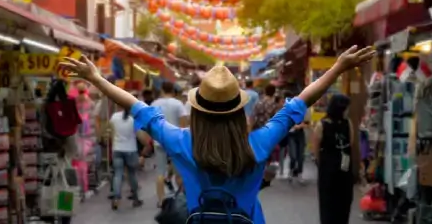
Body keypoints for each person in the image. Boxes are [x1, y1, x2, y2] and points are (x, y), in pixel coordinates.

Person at [60, 46, 374, 224]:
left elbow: (138, 107)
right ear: (239, 110)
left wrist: (97, 79)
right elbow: (300, 103)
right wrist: (338, 68)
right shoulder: (258, 144)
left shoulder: (183, 142)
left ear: (198, 110)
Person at [312, 94, 354, 224]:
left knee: (328, 202)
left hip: (328, 169)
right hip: (344, 169)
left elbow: (316, 148)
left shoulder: (322, 124)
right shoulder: (348, 123)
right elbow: (351, 142)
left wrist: (322, 162)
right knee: (344, 202)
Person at [152, 81, 187, 207]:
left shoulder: (155, 104)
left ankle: (161, 200)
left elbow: (151, 123)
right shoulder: (178, 104)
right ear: (173, 90)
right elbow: (183, 124)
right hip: (175, 141)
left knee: (160, 172)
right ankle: (182, 197)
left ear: (161, 89)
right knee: (179, 172)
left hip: (159, 140)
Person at [109, 105, 150, 210]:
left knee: (118, 174)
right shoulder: (133, 120)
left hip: (117, 149)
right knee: (131, 174)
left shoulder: (114, 117)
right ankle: (136, 198)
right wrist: (146, 146)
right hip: (131, 150)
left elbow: (112, 134)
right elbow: (141, 136)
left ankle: (116, 198)